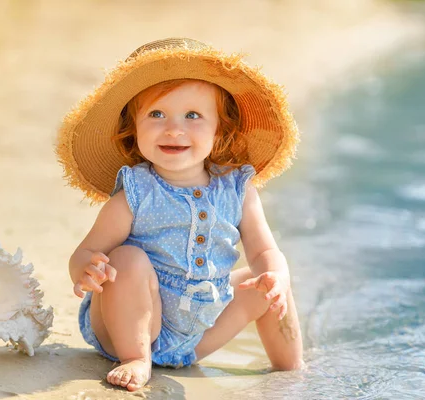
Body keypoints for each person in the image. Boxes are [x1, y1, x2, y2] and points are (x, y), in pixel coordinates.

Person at [55, 38, 303, 392]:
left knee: (267, 281)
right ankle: (136, 359)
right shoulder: (136, 194)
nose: (173, 128)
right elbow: (84, 252)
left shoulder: (237, 189)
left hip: (197, 332)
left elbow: (264, 251)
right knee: (126, 258)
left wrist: (275, 275)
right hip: (128, 324)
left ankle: (292, 370)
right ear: (133, 128)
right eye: (156, 114)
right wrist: (86, 269)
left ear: (219, 129)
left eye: (193, 116)